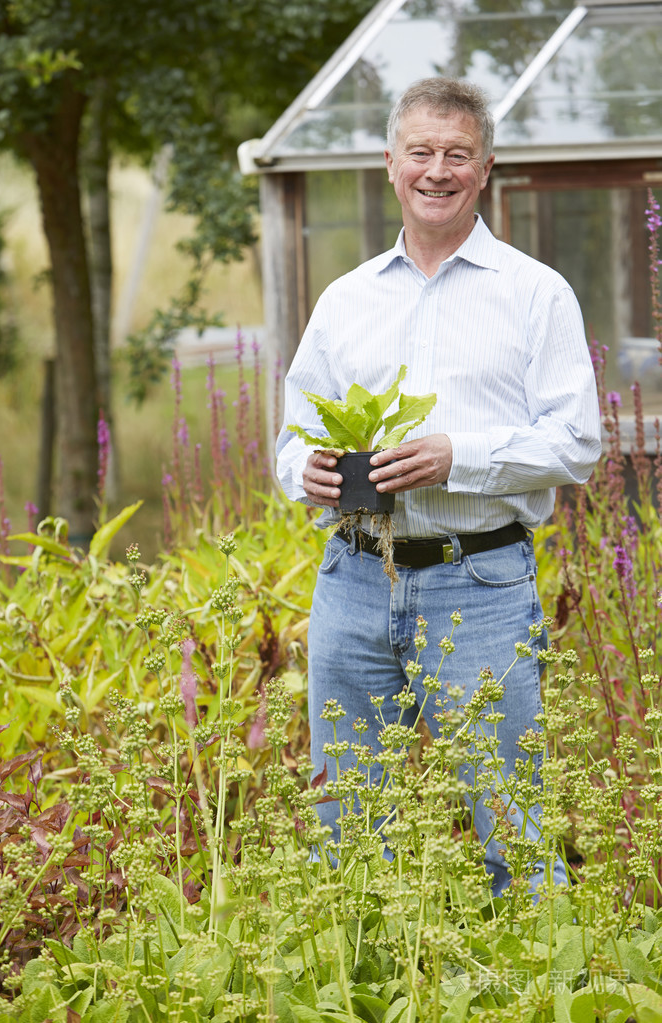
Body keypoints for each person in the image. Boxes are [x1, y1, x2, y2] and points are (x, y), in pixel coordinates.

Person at [275, 77, 601, 895]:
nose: (437, 169)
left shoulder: (535, 293)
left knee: (512, 821)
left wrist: (460, 455)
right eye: (420, 151)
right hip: (352, 578)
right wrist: (304, 472)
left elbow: (578, 441)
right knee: (346, 821)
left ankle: (543, 992)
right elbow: (290, 439)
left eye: (457, 154)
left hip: (480, 580)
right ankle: (366, 986)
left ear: (484, 168)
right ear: (391, 163)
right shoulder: (346, 300)